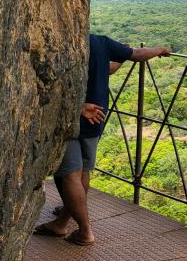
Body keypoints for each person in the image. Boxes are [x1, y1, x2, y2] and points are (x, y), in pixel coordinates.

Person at [35, 35, 171, 245]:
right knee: (83, 172)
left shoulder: (64, 42)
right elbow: (133, 56)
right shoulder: (100, 43)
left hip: (72, 115)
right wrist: (159, 49)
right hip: (96, 116)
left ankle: (83, 231)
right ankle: (66, 214)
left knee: (70, 174)